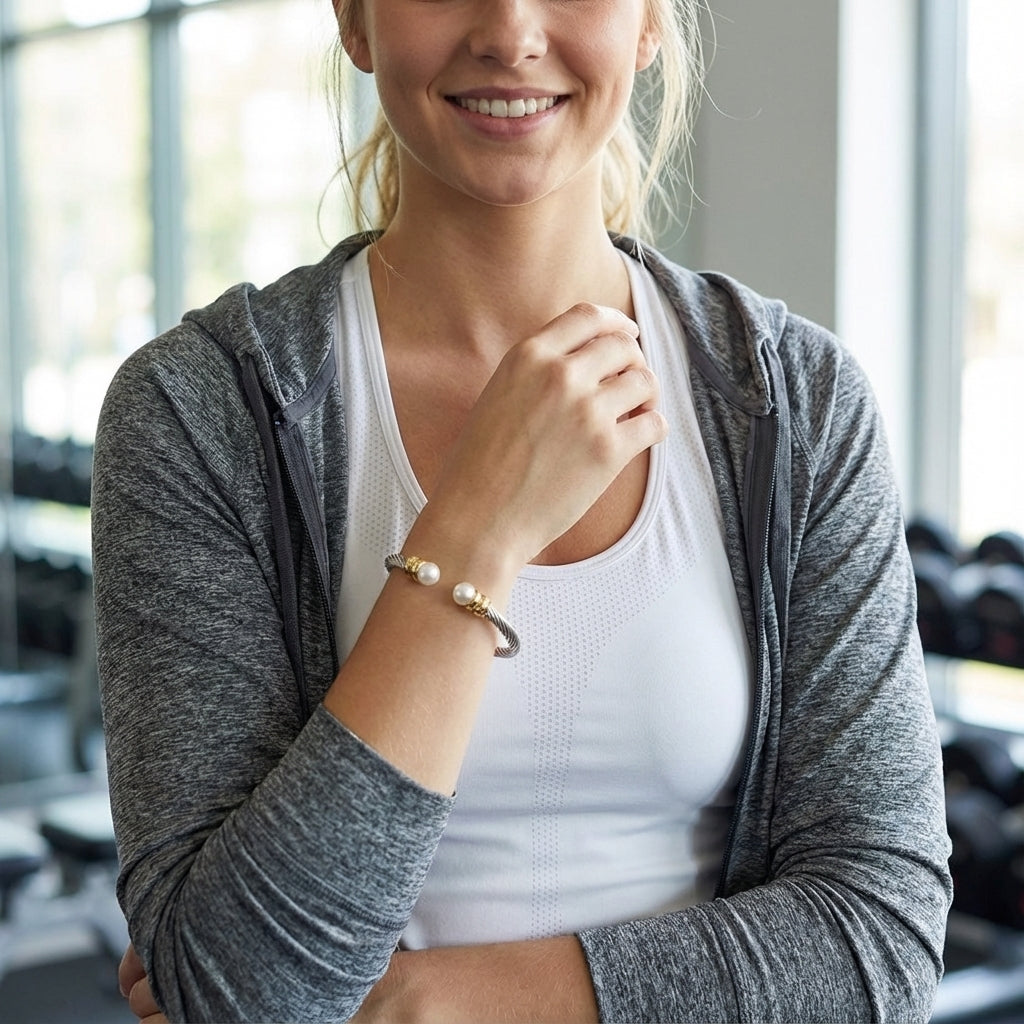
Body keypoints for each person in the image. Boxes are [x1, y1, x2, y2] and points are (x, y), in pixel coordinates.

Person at [93, 0, 952, 1020]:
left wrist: (423, 1004)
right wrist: (478, 526)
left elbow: (878, 939)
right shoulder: (201, 410)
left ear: (647, 23)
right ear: (354, 21)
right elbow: (241, 985)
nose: (509, 31)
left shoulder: (793, 402)